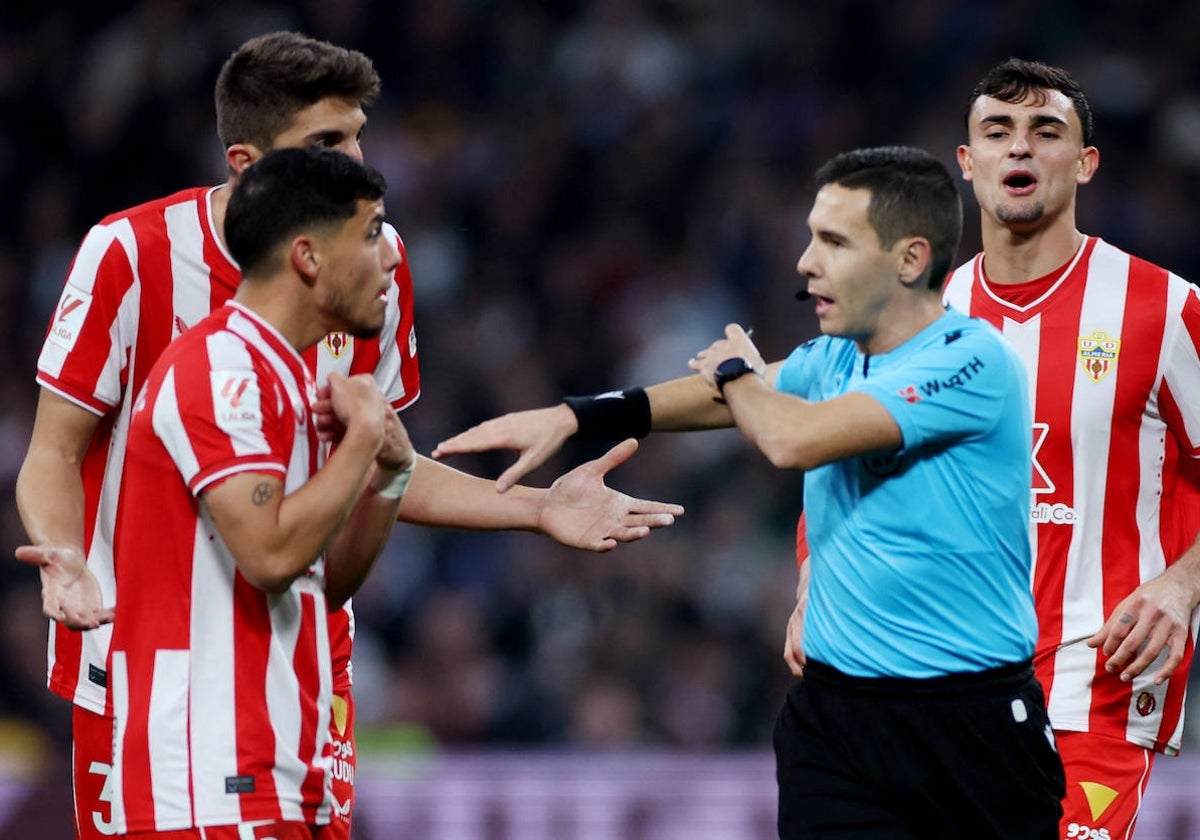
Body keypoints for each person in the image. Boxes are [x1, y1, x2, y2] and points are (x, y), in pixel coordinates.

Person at [14, 31, 682, 840]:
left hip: (299, 659)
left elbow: (375, 462)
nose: (363, 162)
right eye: (329, 143)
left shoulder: (374, 264)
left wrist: (536, 507)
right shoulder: (133, 256)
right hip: (147, 660)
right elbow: (53, 450)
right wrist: (67, 559)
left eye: (360, 134)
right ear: (247, 163)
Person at [435, 145, 1066, 836]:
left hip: (968, 728)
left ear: (910, 260)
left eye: (833, 241)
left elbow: (790, 436)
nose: (805, 262)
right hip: (838, 721)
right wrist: (577, 414)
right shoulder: (834, 356)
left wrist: (738, 373)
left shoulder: (972, 363)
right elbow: (721, 398)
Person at [108, 145, 409, 837]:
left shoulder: (286, 382)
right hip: (206, 779)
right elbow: (269, 557)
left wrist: (392, 475)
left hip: (270, 769)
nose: (392, 256)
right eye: (370, 232)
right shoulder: (221, 369)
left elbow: (320, 582)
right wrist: (361, 440)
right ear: (307, 257)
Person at [939, 57, 1200, 838]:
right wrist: (817, 579)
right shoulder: (926, 319)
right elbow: (847, 473)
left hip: (1101, 679)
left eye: (1045, 131)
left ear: (1084, 163)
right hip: (939, 684)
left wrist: (1184, 585)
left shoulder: (1164, 308)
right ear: (969, 161)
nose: (1020, 148)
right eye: (998, 131)